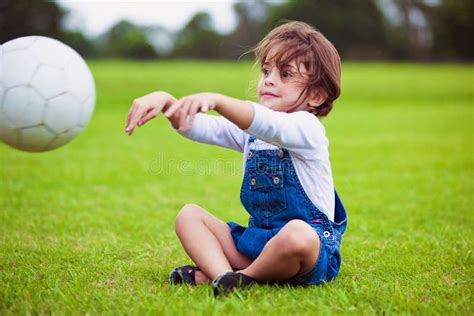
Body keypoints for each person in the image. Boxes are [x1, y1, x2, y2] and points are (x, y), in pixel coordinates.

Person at [124, 21, 348, 296]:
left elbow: (268, 124)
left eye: (285, 74)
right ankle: (225, 279)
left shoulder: (307, 128)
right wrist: (168, 103)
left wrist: (217, 99)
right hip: (257, 246)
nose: (269, 79)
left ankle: (244, 277)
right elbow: (200, 127)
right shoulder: (251, 133)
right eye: (266, 71)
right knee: (189, 216)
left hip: (308, 255)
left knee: (298, 233)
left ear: (316, 95)